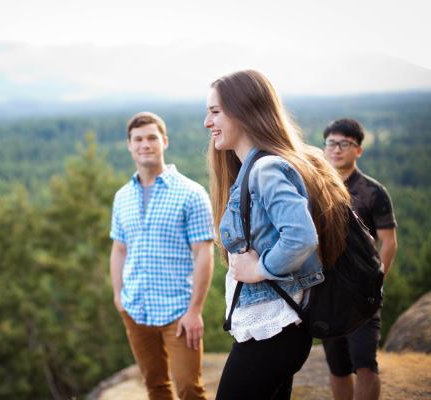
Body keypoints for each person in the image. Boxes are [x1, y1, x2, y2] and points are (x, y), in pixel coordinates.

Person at [204, 70, 352, 399]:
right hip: (274, 331)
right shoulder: (255, 168)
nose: (207, 122)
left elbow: (300, 237)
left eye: (215, 112)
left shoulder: (266, 169)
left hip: (273, 330)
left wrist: (258, 269)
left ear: (244, 111)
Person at [110, 111, 215, 400]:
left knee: (190, 390)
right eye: (138, 139)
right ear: (129, 145)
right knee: (155, 387)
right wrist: (119, 295)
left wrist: (194, 311)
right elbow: (119, 249)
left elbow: (204, 254)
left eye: (152, 138)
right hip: (136, 310)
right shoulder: (122, 197)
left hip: (178, 314)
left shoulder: (191, 194)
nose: (145, 144)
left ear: (164, 141)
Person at [322, 118, 398, 400]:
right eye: (331, 143)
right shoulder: (318, 189)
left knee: (365, 364)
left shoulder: (372, 191)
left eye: (345, 144)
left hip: (363, 294)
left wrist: (375, 282)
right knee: (338, 367)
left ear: (358, 150)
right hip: (327, 292)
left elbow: (389, 242)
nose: (337, 149)